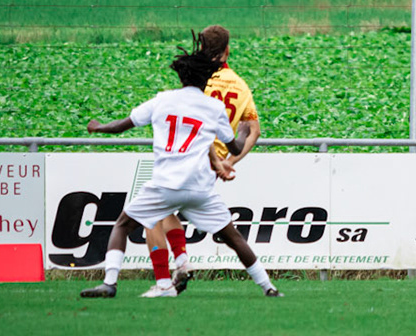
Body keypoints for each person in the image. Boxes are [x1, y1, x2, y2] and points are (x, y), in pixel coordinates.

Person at [78, 47, 281, 299]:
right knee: (234, 238)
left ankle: (110, 283)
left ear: (181, 77)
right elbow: (236, 147)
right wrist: (241, 132)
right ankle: (268, 287)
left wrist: (99, 127)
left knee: (122, 225)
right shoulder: (213, 107)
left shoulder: (163, 100)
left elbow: (121, 126)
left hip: (165, 185)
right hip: (199, 188)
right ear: (206, 78)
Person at [154, 25, 261, 292]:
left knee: (156, 213)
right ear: (227, 51)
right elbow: (253, 131)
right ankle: (266, 284)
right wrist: (229, 162)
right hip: (213, 167)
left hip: (187, 156)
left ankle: (177, 266)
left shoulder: (197, 79)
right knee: (222, 229)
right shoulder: (239, 85)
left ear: (200, 47)